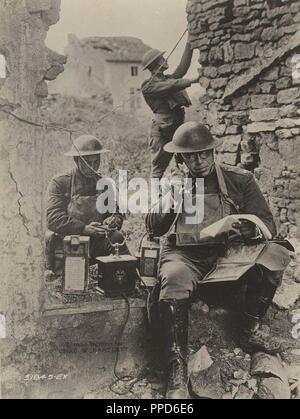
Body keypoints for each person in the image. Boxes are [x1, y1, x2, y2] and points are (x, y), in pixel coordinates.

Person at [145, 121, 292, 399]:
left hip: (229, 256)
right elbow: (153, 228)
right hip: (185, 255)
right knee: (174, 277)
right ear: (181, 157)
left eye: (203, 154)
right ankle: (177, 368)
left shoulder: (240, 180)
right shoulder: (174, 184)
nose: (198, 161)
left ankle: (249, 328)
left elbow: (269, 225)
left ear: (213, 152)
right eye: (190, 156)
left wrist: (251, 228)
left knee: (275, 254)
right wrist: (170, 201)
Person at [46, 135, 129, 274]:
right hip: (68, 244)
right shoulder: (60, 182)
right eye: (87, 162)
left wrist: (113, 220)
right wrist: (83, 228)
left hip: (95, 244)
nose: (93, 167)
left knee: (116, 237)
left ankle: (129, 277)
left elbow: (116, 213)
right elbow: (53, 218)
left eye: (96, 162)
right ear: (76, 160)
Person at [141, 39, 201, 178]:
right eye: (161, 58)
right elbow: (172, 86)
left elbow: (182, 68)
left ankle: (187, 194)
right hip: (162, 131)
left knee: (185, 161)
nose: (165, 59)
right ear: (155, 65)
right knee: (158, 168)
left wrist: (189, 44)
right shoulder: (148, 86)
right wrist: (193, 80)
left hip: (176, 126)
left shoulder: (167, 79)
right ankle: (155, 198)